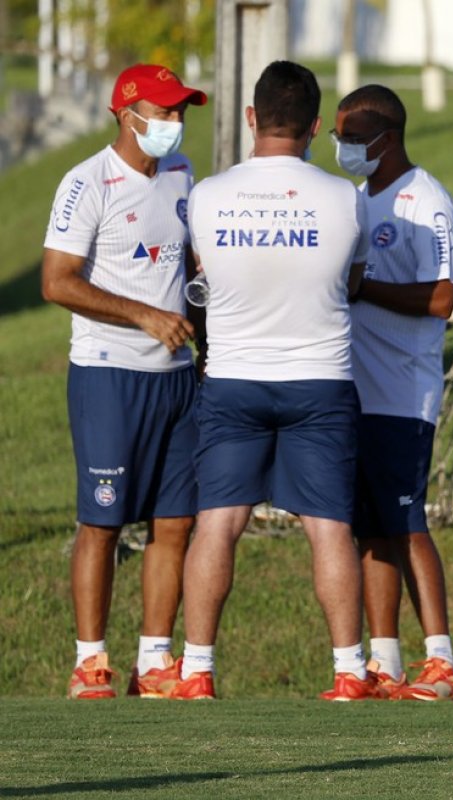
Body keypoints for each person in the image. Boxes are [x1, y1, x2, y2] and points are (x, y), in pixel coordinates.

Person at [169, 60, 372, 701]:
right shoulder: (347, 198)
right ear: (315, 125)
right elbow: (355, 282)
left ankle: (196, 670)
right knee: (330, 528)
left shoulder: (205, 197)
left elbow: (199, 280)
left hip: (233, 379)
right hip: (321, 379)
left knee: (217, 525)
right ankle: (349, 672)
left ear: (252, 117)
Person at [42, 63, 207, 699]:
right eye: (164, 112)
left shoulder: (183, 173)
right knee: (103, 523)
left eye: (180, 112)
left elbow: (188, 263)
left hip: (177, 379)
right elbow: (57, 281)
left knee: (174, 525)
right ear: (127, 113)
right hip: (108, 374)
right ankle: (90, 662)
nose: (174, 123)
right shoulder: (87, 183)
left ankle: (155, 661)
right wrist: (141, 313)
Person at [332, 84, 453, 701]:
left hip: (403, 393)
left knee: (408, 522)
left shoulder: (426, 200)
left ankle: (442, 662)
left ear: (386, 138)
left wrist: (363, 288)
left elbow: (443, 296)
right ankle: (385, 662)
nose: (341, 147)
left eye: (351, 138)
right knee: (371, 529)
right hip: (354, 390)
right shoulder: (357, 199)